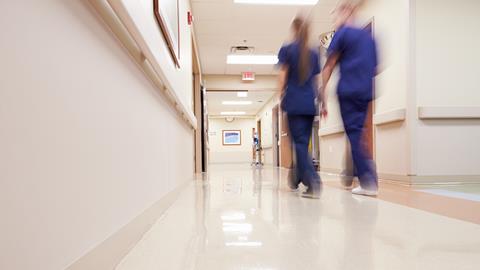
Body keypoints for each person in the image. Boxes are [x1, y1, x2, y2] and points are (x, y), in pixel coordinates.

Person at [320, 0, 379, 196]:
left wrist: (322, 93)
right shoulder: (369, 38)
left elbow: (329, 65)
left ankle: (368, 181)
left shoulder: (343, 33)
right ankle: (362, 174)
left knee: (354, 135)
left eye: (335, 15)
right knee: (359, 134)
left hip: (349, 91)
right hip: (366, 91)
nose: (335, 20)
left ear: (345, 13)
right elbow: (376, 67)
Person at [278, 14, 322, 198]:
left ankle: (313, 182)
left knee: (300, 145)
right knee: (304, 144)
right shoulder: (313, 53)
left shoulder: (287, 50)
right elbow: (317, 81)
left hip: (294, 103)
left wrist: (280, 95)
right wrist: (322, 100)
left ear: (294, 30)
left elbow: (282, 75)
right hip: (309, 104)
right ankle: (300, 178)